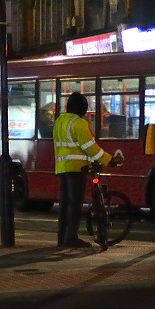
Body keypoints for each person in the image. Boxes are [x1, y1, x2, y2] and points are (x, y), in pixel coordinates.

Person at [53, 91, 120, 248]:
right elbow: (90, 147)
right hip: (77, 168)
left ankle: (62, 238)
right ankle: (70, 238)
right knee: (75, 204)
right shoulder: (79, 123)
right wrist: (109, 160)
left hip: (62, 167)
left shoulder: (59, 121)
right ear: (83, 108)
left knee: (64, 204)